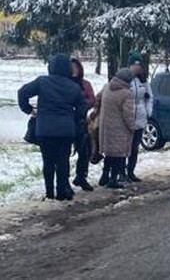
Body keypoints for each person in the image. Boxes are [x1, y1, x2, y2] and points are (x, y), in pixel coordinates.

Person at [18, 54, 87, 201]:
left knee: (47, 162)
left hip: (45, 130)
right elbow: (82, 107)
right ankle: (62, 192)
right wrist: (73, 118)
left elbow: (22, 92)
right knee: (63, 162)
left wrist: (29, 110)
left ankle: (49, 193)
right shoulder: (73, 87)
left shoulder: (42, 82)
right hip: (66, 131)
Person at [98, 69, 135, 189]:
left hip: (105, 127)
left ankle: (104, 176)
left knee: (109, 153)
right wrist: (132, 127)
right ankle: (113, 179)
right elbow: (128, 114)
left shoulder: (107, 87)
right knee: (118, 155)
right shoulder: (126, 93)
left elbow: (96, 99)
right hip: (120, 129)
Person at [126, 52, 153, 183]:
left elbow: (150, 97)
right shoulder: (125, 80)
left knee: (134, 147)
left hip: (140, 116)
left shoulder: (143, 81)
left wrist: (148, 111)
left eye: (139, 65)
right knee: (125, 146)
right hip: (127, 117)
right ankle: (120, 172)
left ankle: (130, 171)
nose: (137, 68)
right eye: (134, 65)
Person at [71, 58, 96, 191]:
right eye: (71, 67)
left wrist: (82, 105)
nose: (74, 70)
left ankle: (81, 176)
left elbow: (92, 99)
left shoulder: (85, 84)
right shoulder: (64, 83)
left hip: (81, 121)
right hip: (67, 122)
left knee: (85, 150)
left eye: (76, 67)